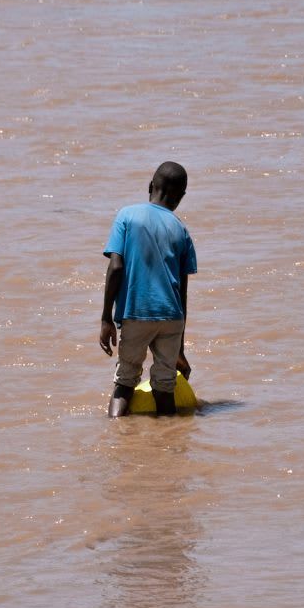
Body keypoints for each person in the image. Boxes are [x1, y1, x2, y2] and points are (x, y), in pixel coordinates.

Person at [99, 161, 197, 417]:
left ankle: (115, 438)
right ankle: (170, 446)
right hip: (172, 318)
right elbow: (182, 293)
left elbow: (116, 267)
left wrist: (106, 318)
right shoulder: (181, 230)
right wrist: (180, 350)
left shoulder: (127, 216)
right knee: (165, 389)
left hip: (137, 312)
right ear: (181, 197)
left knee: (124, 384)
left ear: (150, 186)